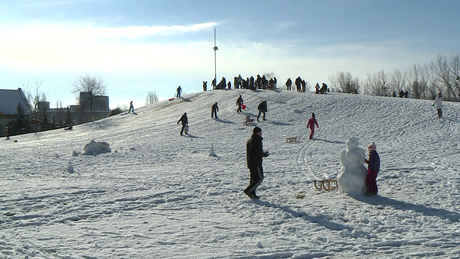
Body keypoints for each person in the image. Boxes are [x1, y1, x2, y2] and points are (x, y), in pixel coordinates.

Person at [244, 127, 269, 199]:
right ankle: (248, 191)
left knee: (253, 179)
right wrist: (264, 154)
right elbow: (257, 152)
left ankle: (252, 193)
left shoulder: (250, 140)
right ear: (257, 133)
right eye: (260, 132)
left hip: (250, 162)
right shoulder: (257, 140)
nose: (261, 133)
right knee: (259, 178)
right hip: (256, 162)